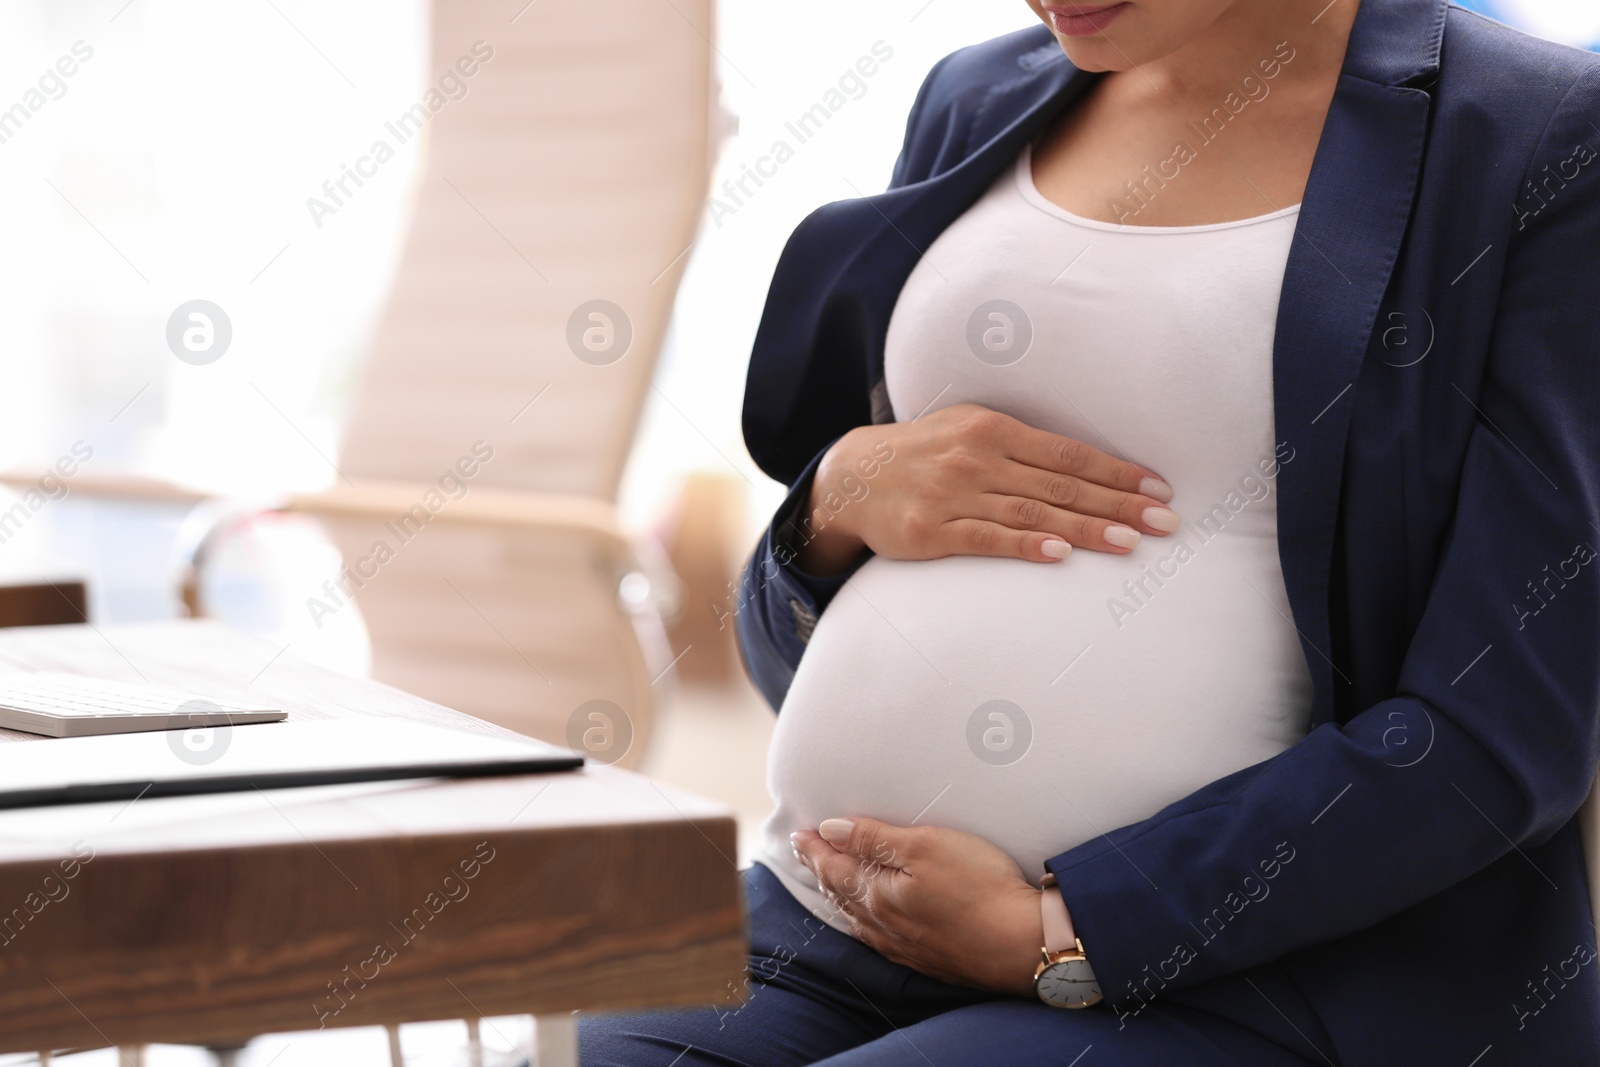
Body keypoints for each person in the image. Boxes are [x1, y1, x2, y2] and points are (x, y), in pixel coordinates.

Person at [583, 0, 1600, 1062]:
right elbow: (796, 646)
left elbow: (1504, 720)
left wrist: (1063, 929)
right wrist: (829, 502)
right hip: (823, 914)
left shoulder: (1534, 135)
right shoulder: (976, 97)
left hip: (1252, 980)